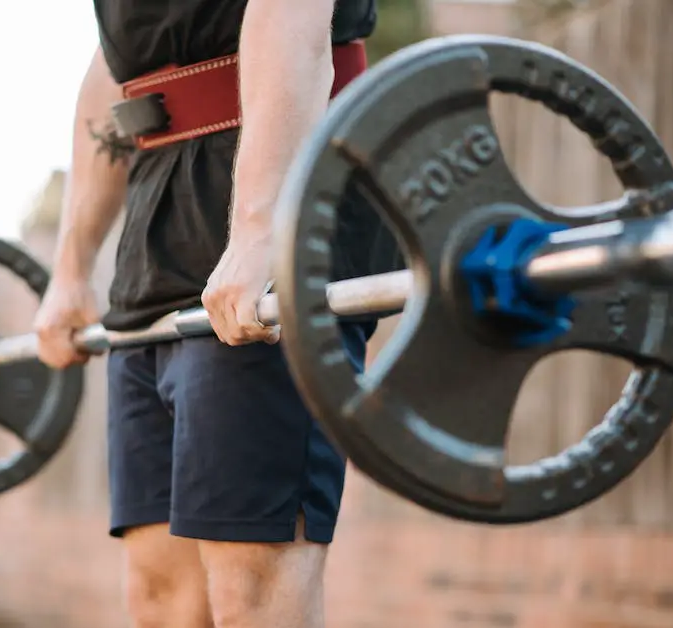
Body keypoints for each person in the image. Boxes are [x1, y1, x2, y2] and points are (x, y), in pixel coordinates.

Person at [33, 0, 399, 626]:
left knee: (251, 587)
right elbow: (116, 61)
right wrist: (70, 269)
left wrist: (259, 230)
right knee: (159, 591)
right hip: (153, 226)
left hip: (276, 191)